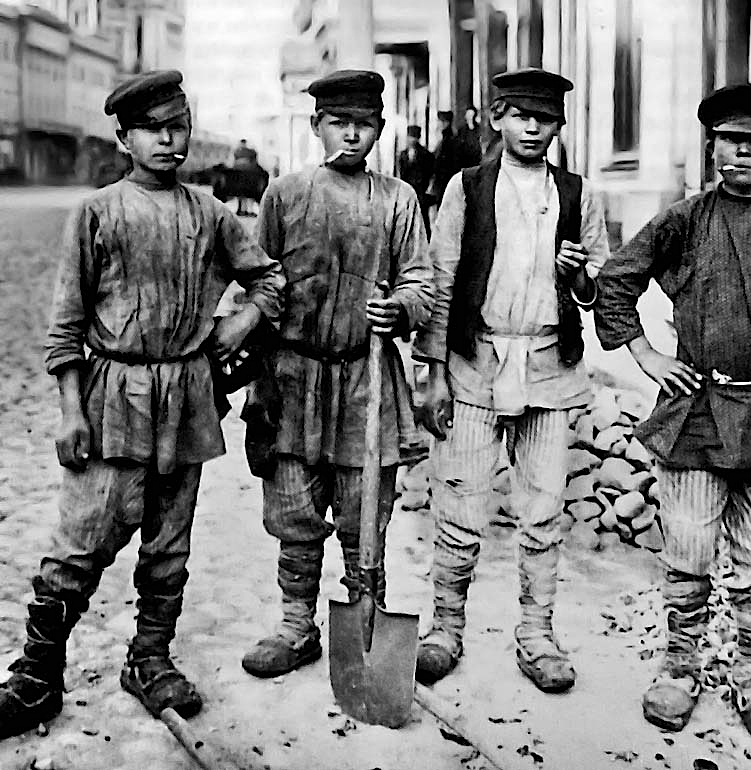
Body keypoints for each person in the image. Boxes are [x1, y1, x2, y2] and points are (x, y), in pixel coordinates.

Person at [0, 70, 285, 738]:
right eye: (153, 129)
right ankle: (37, 677)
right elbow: (66, 327)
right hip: (112, 397)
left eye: (178, 126)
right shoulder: (96, 212)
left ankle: (149, 659)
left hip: (187, 396)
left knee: (168, 546)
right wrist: (72, 409)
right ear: (124, 138)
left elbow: (268, 278)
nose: (169, 139)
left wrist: (239, 323)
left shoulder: (210, 214)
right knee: (80, 544)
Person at [594, 82, 751, 746]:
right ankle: (680, 664)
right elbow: (616, 280)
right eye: (728, 140)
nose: (740, 151)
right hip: (698, 412)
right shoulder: (685, 218)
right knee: (687, 547)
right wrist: (648, 355)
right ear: (710, 145)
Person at [412, 67, 610, 690]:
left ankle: (537, 633)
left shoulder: (578, 195)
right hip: (477, 364)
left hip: (549, 368)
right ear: (497, 118)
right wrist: (434, 371)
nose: (533, 127)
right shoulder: (466, 189)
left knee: (545, 509)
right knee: (461, 503)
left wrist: (577, 274)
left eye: (545, 118)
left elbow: (595, 288)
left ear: (558, 126)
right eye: (521, 115)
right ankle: (445, 628)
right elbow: (442, 280)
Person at [240, 69, 434, 679]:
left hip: (365, 379)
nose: (352, 136)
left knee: (363, 508)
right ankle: (296, 624)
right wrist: (255, 325)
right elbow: (257, 276)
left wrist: (400, 308)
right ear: (317, 126)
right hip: (293, 377)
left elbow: (421, 279)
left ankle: (365, 617)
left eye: (366, 125)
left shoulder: (397, 199)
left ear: (380, 128)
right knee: (294, 507)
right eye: (339, 124)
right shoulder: (286, 195)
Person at [398, 124, 435, 236]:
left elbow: (430, 173)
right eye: (410, 137)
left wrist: (426, 188)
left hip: (421, 193)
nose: (412, 140)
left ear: (418, 138)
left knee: (423, 221)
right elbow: (401, 175)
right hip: (407, 193)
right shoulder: (403, 155)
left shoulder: (426, 155)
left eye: (414, 137)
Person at [430, 110, 460, 208]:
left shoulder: (448, 141)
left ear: (445, 123)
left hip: (445, 183)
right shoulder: (447, 139)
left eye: (440, 121)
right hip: (446, 183)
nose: (438, 124)